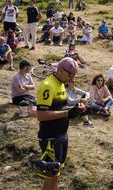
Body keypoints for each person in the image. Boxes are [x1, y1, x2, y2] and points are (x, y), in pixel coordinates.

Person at [33, 58, 78, 190]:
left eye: (74, 75)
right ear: (60, 70)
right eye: (70, 75)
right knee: (50, 176)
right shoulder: (48, 85)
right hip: (50, 138)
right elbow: (40, 115)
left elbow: (60, 107)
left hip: (61, 135)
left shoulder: (60, 84)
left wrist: (76, 109)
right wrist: (66, 114)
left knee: (56, 175)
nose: (72, 78)